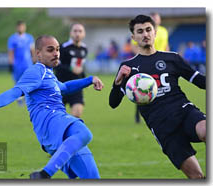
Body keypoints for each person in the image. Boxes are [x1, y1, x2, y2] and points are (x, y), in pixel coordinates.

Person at [0, 35, 104, 179]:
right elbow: (16, 91)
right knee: (84, 133)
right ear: (38, 53)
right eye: (50, 50)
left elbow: (64, 87)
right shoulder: (36, 71)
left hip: (57, 126)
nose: (56, 53)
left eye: (57, 50)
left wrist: (90, 79)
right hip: (50, 121)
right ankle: (44, 175)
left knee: (92, 177)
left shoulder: (49, 74)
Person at [109, 15, 206, 179]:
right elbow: (113, 103)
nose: (145, 34)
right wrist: (118, 82)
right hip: (162, 127)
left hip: (184, 112)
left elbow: (201, 82)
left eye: (148, 30)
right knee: (197, 176)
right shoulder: (128, 68)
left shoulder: (172, 58)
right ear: (134, 37)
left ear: (155, 33)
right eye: (140, 31)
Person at [131, 12, 170, 123]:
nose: (155, 20)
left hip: (160, 63)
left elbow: (166, 45)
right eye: (153, 18)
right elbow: (134, 45)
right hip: (145, 62)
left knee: (162, 88)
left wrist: (166, 57)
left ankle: (163, 112)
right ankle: (139, 115)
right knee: (141, 89)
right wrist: (141, 57)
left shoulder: (163, 31)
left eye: (157, 18)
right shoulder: (143, 32)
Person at [54, 23, 87, 118]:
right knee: (56, 116)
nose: (77, 34)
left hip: (76, 85)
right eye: (75, 31)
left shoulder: (84, 49)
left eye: (80, 31)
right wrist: (71, 69)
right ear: (70, 33)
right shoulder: (62, 47)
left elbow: (80, 66)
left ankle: (71, 131)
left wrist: (84, 79)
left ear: (84, 34)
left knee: (77, 113)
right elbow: (56, 65)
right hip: (61, 85)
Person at [7, 20, 36, 105]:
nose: (21, 28)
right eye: (19, 26)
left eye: (22, 26)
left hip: (28, 63)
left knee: (29, 81)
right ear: (17, 27)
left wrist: (34, 60)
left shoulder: (29, 37)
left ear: (25, 27)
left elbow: (32, 50)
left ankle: (29, 97)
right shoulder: (12, 38)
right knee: (17, 82)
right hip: (17, 64)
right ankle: (19, 98)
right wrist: (10, 63)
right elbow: (11, 52)